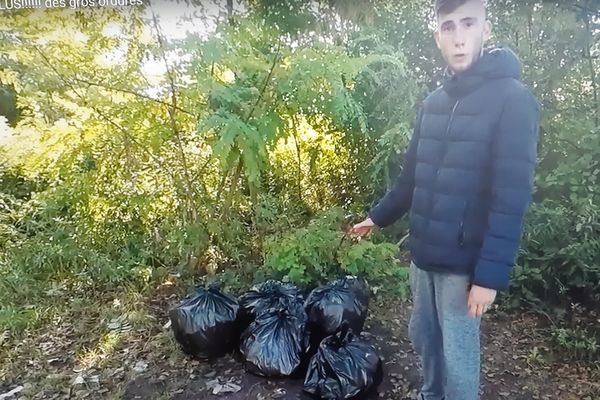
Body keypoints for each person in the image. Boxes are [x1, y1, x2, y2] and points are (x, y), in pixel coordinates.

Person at [349, 0, 540, 399]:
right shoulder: (433, 103)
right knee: (423, 337)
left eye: (468, 24)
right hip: (423, 257)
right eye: (449, 27)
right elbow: (410, 179)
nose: (458, 38)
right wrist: (377, 218)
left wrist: (488, 277)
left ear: (485, 30)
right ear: (438, 37)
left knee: (458, 355)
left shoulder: (513, 99)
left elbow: (511, 197)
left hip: (463, 265)